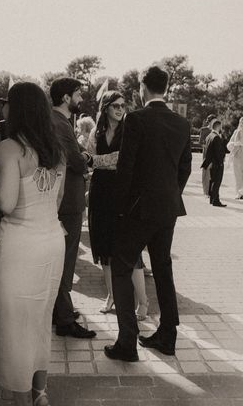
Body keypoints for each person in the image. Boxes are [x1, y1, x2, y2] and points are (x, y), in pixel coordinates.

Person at [0, 81, 66, 406]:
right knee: (40, 318)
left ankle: (19, 399)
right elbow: (56, 200)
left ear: (16, 109)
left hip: (20, 244)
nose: (3, 108)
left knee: (16, 323)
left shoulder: (9, 148)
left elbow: (6, 204)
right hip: (50, 240)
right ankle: (40, 393)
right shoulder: (56, 148)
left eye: (7, 103)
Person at [105, 66, 191, 362]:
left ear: (142, 87)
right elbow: (184, 168)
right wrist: (170, 194)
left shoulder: (137, 119)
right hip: (168, 208)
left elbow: (126, 167)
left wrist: (118, 208)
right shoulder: (181, 123)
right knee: (163, 268)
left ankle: (127, 341)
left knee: (121, 265)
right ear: (166, 87)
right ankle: (168, 335)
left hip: (138, 208)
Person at [86, 91, 147, 319]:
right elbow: (88, 158)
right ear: (106, 108)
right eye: (115, 106)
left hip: (123, 192)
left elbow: (122, 158)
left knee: (129, 249)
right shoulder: (96, 131)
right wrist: (97, 161)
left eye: (123, 106)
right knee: (104, 248)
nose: (120, 109)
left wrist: (98, 161)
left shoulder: (129, 130)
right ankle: (111, 295)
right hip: (100, 191)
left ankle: (142, 301)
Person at [49, 77, 96, 339]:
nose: (80, 99)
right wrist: (86, 159)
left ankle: (61, 310)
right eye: (78, 94)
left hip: (62, 201)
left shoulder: (55, 121)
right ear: (66, 97)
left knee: (63, 259)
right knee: (66, 261)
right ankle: (65, 320)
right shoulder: (60, 123)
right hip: (66, 203)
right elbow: (75, 161)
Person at [202, 119, 228, 207]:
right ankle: (215, 201)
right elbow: (218, 152)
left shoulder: (210, 135)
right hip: (216, 163)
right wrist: (221, 162)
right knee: (217, 182)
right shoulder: (216, 137)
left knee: (212, 181)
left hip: (211, 163)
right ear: (219, 127)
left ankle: (212, 199)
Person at [199, 114, 217, 196]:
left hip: (215, 154)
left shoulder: (217, 130)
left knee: (214, 173)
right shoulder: (204, 130)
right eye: (214, 120)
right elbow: (201, 142)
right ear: (209, 121)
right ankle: (206, 191)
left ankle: (212, 191)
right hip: (207, 154)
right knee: (206, 172)